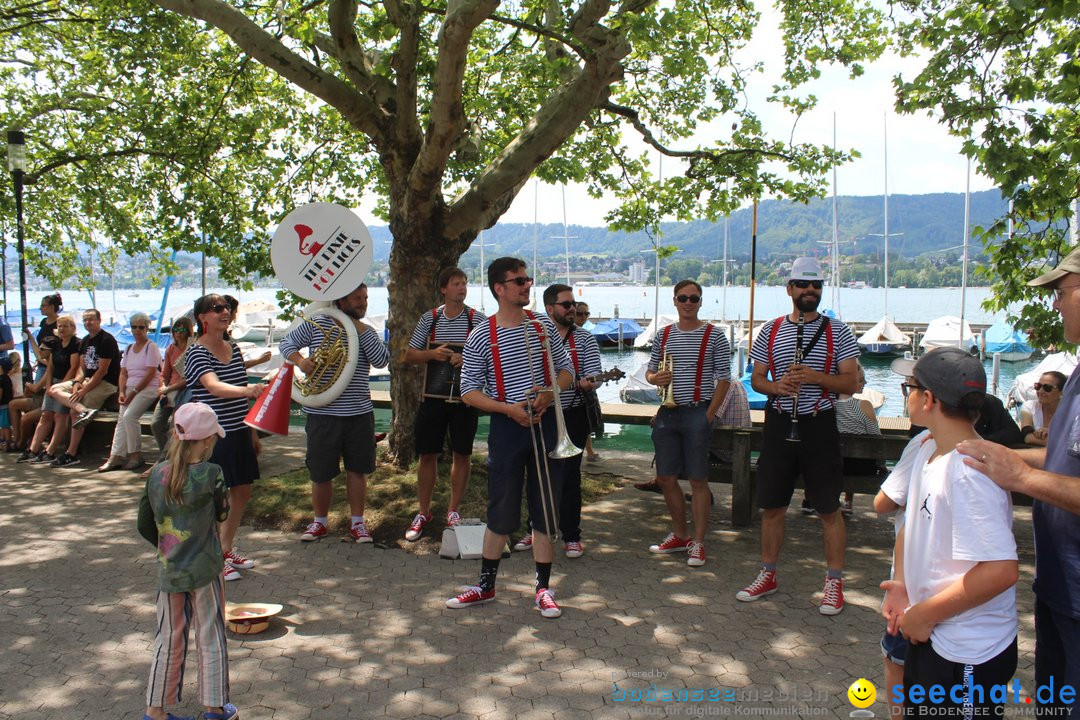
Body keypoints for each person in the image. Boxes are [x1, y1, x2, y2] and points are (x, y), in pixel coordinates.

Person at [957, 247, 1080, 715]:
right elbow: (1066, 455)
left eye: (1062, 292)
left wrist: (1023, 476)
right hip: (1056, 586)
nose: (1054, 304)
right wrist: (1007, 454)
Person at [881, 348, 1018, 716]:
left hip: (968, 650)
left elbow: (1000, 570)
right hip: (933, 633)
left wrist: (925, 614)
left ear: (927, 400)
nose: (905, 393)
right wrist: (903, 584)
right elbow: (914, 525)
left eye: (907, 386)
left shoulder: (969, 472)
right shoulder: (930, 451)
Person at [445, 257, 574, 619]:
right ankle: (485, 585)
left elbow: (566, 371)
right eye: (518, 281)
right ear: (500, 289)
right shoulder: (481, 335)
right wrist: (507, 409)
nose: (526, 285)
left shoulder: (541, 325)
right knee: (500, 509)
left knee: (545, 510)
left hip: (546, 424)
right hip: (507, 426)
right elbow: (469, 391)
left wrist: (549, 393)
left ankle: (543, 589)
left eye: (528, 279)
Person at [738, 257, 860, 614]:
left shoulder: (839, 332)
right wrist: (778, 387)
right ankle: (768, 573)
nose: (810, 291)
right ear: (790, 289)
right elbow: (757, 379)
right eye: (803, 285)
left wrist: (814, 377)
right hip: (779, 423)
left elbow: (850, 383)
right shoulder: (771, 330)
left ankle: (834, 583)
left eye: (816, 286)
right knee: (772, 505)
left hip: (818, 424)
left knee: (827, 507)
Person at [137, 402, 237, 720]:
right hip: (206, 569)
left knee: (168, 637)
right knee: (210, 635)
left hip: (170, 572)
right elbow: (223, 512)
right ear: (207, 440)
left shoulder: (156, 474)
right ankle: (214, 707)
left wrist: (168, 548)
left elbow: (143, 522)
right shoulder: (212, 474)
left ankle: (155, 710)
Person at [281, 284, 389, 544]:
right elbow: (287, 342)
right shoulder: (319, 321)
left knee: (358, 470)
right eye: (357, 299)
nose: (363, 303)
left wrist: (360, 331)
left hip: (358, 414)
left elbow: (382, 360)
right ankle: (319, 522)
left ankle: (358, 523)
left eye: (365, 298)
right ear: (342, 301)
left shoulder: (367, 331)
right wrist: (301, 361)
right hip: (323, 412)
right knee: (321, 472)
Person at [644, 280, 731, 568]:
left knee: (697, 479)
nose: (688, 302)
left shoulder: (715, 336)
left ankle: (698, 541)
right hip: (668, 413)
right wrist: (656, 379)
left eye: (694, 298)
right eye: (683, 298)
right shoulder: (664, 334)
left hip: (697, 411)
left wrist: (709, 416)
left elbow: (724, 379)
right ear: (675, 300)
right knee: (666, 478)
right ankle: (680, 534)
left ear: (701, 301)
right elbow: (651, 371)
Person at [514, 284, 601, 558]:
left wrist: (589, 383)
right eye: (566, 305)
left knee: (570, 477)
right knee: (537, 475)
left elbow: (595, 374)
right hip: (542, 413)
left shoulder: (585, 339)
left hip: (572, 415)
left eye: (573, 304)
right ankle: (535, 529)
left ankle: (571, 535)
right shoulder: (535, 336)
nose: (572, 309)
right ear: (550, 308)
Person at [401, 267, 485, 541]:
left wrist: (468, 359)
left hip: (465, 399)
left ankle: (453, 510)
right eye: (456, 284)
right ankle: (423, 512)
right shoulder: (430, 319)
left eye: (464, 284)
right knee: (427, 454)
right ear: (443, 289)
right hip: (433, 399)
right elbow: (409, 355)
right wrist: (432, 353)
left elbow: (490, 359)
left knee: (462, 454)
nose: (462, 288)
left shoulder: (477, 319)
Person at [186, 294, 265, 582]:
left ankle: (225, 548)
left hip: (238, 430)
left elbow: (241, 390)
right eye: (216, 308)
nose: (225, 312)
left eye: (227, 308)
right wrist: (248, 391)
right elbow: (213, 386)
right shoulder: (196, 352)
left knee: (242, 490)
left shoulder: (233, 347)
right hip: (211, 436)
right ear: (202, 318)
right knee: (212, 498)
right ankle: (212, 556)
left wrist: (252, 430)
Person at [873, 429, 932, 720]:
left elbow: (883, 502)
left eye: (910, 389)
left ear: (929, 400)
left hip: (914, 589)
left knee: (897, 663)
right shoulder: (982, 449)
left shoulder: (924, 445)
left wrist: (899, 586)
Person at [45, 309, 121, 467]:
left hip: (106, 383)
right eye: (85, 320)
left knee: (73, 412)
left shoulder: (107, 340)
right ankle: (83, 410)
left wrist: (84, 390)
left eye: (91, 320)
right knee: (54, 389)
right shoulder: (85, 341)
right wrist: (77, 383)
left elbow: (102, 371)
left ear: (99, 320)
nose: (88, 323)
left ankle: (71, 453)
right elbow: (81, 368)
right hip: (86, 380)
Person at [98, 313, 162, 472]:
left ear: (147, 328)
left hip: (147, 388)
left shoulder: (151, 347)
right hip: (130, 388)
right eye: (134, 327)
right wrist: (122, 392)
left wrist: (132, 392)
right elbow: (123, 373)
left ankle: (135, 454)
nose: (137, 330)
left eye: (141, 327)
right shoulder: (128, 348)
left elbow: (150, 373)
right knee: (122, 420)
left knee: (129, 416)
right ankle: (116, 456)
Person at [20, 316, 78, 464]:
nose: (62, 329)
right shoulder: (57, 343)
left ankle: (50, 451)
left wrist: (62, 386)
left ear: (72, 327)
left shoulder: (75, 344)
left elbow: (73, 367)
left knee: (60, 416)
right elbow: (50, 366)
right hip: (53, 383)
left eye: (65, 326)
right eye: (60, 326)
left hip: (66, 382)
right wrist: (48, 384)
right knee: (45, 415)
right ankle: (33, 449)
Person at [9, 293, 62, 449]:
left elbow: (50, 353)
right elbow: (39, 351)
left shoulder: (58, 325)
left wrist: (43, 361)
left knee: (33, 396)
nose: (41, 308)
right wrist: (31, 338)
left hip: (47, 367)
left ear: (52, 307)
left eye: (43, 305)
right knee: (28, 398)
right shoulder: (44, 323)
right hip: (42, 365)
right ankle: (20, 439)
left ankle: (27, 441)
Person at [147, 316, 195, 478]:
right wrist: (162, 387)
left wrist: (169, 388)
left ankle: (164, 461)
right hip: (168, 391)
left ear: (188, 331)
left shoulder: (192, 348)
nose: (178, 333)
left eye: (181, 330)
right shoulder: (170, 349)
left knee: (175, 426)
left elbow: (189, 378)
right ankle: (165, 455)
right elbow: (164, 373)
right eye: (175, 329)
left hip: (184, 391)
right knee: (156, 423)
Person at [834, 360, 881, 517]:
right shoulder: (864, 405)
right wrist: (881, 464)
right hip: (861, 467)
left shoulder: (828, 405)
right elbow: (876, 438)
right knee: (856, 455)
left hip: (834, 465)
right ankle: (848, 501)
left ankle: (834, 500)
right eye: (860, 380)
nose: (864, 383)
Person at [575, 302, 602, 463]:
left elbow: (594, 369)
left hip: (585, 388)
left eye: (587, 314)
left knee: (585, 421)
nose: (584, 317)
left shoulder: (585, 337)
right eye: (580, 314)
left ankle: (589, 450)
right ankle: (589, 451)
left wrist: (593, 380)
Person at [1020, 370, 1067, 446]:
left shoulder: (1070, 412)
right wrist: (1058, 441)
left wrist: (1050, 432)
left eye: (1047, 388)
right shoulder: (1029, 406)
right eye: (1038, 386)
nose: (1040, 391)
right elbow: (1027, 437)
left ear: (1061, 391)